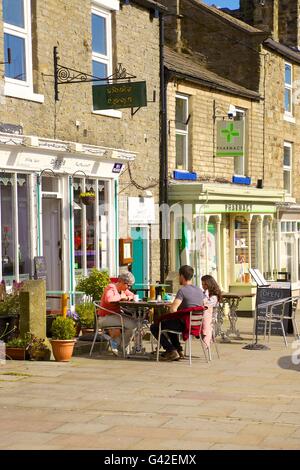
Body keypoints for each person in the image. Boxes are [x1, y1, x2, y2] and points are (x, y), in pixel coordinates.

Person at [150, 265, 204, 361]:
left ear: (182, 276)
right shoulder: (199, 291)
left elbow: (173, 310)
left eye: (179, 276)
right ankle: (178, 350)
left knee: (155, 327)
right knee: (170, 323)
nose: (179, 278)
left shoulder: (182, 291)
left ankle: (171, 350)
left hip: (185, 324)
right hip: (196, 324)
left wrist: (172, 306)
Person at [99, 272, 137, 356]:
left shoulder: (123, 290)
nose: (129, 287)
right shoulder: (111, 287)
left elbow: (133, 296)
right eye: (128, 285)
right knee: (133, 324)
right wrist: (121, 297)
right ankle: (120, 347)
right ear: (122, 282)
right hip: (105, 318)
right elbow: (109, 299)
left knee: (134, 324)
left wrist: (128, 297)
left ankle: (119, 346)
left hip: (115, 316)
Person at [201, 275, 222, 348]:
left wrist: (204, 296)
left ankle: (207, 339)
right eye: (202, 284)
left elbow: (205, 305)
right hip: (202, 317)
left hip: (211, 321)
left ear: (210, 284)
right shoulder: (204, 293)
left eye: (205, 284)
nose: (203, 286)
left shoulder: (214, 297)